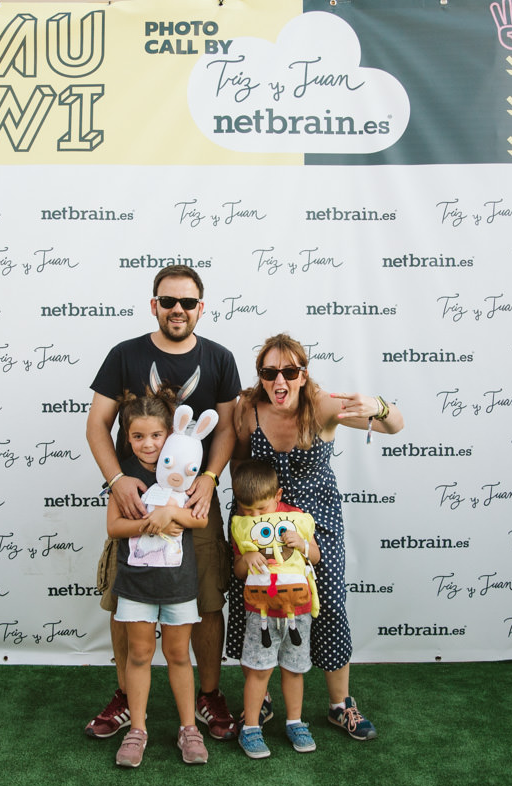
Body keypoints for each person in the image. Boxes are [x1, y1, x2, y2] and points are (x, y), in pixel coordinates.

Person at [85, 264, 242, 741]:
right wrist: (117, 480)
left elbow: (227, 427)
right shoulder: (124, 354)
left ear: (201, 308)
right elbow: (96, 425)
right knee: (124, 600)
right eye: (168, 301)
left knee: (207, 599)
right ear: (154, 305)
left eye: (187, 302)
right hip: (133, 500)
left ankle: (209, 695)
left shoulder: (219, 358)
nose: (178, 309)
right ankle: (124, 697)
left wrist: (211, 479)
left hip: (196, 502)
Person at [229, 333, 404, 741]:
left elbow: (395, 425)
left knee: (328, 606)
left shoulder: (322, 405)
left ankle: (340, 705)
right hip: (259, 524)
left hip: (316, 525)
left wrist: (378, 406)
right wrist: (243, 524)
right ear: (260, 375)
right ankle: (261, 699)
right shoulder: (248, 408)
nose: (280, 380)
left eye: (290, 371)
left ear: (303, 374)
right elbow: (239, 464)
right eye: (269, 372)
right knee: (254, 606)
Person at [106, 388, 209, 767]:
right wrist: (151, 523)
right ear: (127, 437)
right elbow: (114, 527)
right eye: (138, 436)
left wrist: (172, 515)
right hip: (136, 584)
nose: (148, 444)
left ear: (170, 434)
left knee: (179, 654)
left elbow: (200, 519)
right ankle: (137, 730)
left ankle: (189, 729)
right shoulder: (124, 478)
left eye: (155, 435)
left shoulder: (185, 470)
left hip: (179, 584)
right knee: (139, 654)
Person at [230, 459, 320, 759]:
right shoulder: (242, 526)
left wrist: (302, 544)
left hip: (298, 610)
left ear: (278, 495)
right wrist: (247, 558)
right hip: (261, 613)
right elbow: (238, 570)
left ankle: (295, 722)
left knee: (294, 670)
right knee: (259, 671)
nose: (254, 516)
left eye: (261, 509)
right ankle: (251, 728)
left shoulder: (296, 517)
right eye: (247, 510)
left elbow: (316, 556)